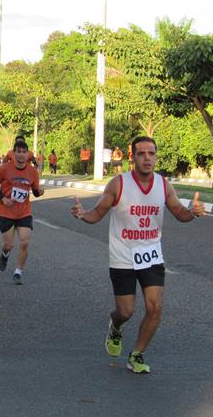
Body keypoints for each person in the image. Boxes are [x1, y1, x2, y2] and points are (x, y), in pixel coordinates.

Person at [70, 136, 205, 374]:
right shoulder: (118, 184)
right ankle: (116, 326)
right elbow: (97, 213)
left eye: (151, 153)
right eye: (141, 154)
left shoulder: (164, 186)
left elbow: (179, 213)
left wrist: (193, 212)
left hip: (151, 254)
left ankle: (137, 354)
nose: (147, 158)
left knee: (155, 307)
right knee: (126, 311)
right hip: (122, 255)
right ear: (132, 157)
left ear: (155, 157)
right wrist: (82, 214)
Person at [0, 140, 44, 284]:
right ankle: (5, 254)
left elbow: (36, 192)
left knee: (25, 242)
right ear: (14, 154)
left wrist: (40, 192)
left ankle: (18, 272)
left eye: (23, 152)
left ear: (28, 155)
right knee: (8, 245)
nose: (21, 155)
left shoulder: (32, 172)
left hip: (24, 212)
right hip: (6, 211)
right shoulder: (5, 168)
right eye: (18, 152)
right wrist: (3, 199)